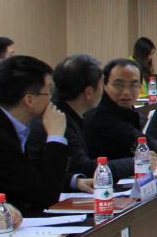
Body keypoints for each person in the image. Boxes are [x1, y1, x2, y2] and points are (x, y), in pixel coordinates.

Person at [26, 55, 145, 192]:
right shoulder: (57, 119)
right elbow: (86, 168)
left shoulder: (66, 112)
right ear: (89, 92)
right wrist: (137, 162)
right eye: (102, 84)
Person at [0, 56, 69, 213]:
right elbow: (45, 194)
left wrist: (74, 180)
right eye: (49, 92)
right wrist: (56, 137)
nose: (52, 99)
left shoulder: (11, 122)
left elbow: (33, 174)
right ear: (30, 100)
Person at [84, 58, 157, 164]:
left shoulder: (128, 111)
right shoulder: (99, 115)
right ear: (104, 85)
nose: (126, 92)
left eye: (134, 85)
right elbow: (152, 146)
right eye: (118, 84)